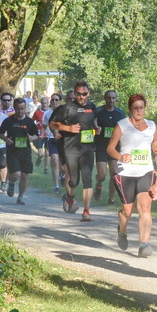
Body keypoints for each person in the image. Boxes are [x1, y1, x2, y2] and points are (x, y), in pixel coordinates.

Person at [108, 92, 157, 256]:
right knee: (127, 211)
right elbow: (109, 148)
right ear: (130, 109)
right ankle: (122, 231)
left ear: (145, 108)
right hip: (125, 173)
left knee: (145, 207)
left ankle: (144, 244)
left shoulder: (152, 125)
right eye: (135, 108)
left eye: (141, 107)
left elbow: (155, 144)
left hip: (145, 170)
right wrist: (120, 156)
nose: (139, 110)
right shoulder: (122, 125)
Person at [52, 82, 101, 220]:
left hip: (88, 148)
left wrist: (97, 129)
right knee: (74, 181)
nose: (81, 97)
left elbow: (93, 121)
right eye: (78, 94)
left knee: (87, 179)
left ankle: (86, 211)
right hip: (71, 149)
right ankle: (69, 196)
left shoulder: (92, 107)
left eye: (84, 94)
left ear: (88, 94)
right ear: (75, 94)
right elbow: (53, 124)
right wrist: (68, 128)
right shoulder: (68, 107)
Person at [0, 97, 38, 203]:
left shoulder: (29, 122)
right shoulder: (9, 120)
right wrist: (6, 139)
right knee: (16, 174)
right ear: (14, 108)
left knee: (24, 175)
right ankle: (11, 183)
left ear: (25, 108)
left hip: (26, 151)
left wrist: (32, 138)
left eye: (22, 109)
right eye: (18, 109)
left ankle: (20, 197)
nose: (20, 111)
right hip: (12, 151)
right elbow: (0, 132)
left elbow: (36, 135)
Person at [95, 89, 127, 206]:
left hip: (114, 147)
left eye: (113, 98)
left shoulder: (120, 113)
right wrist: (96, 129)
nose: (111, 100)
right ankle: (98, 184)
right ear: (105, 98)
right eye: (109, 98)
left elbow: (125, 129)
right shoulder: (98, 112)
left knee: (114, 174)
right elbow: (92, 125)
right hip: (101, 146)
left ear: (116, 99)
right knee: (102, 175)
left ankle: (111, 199)